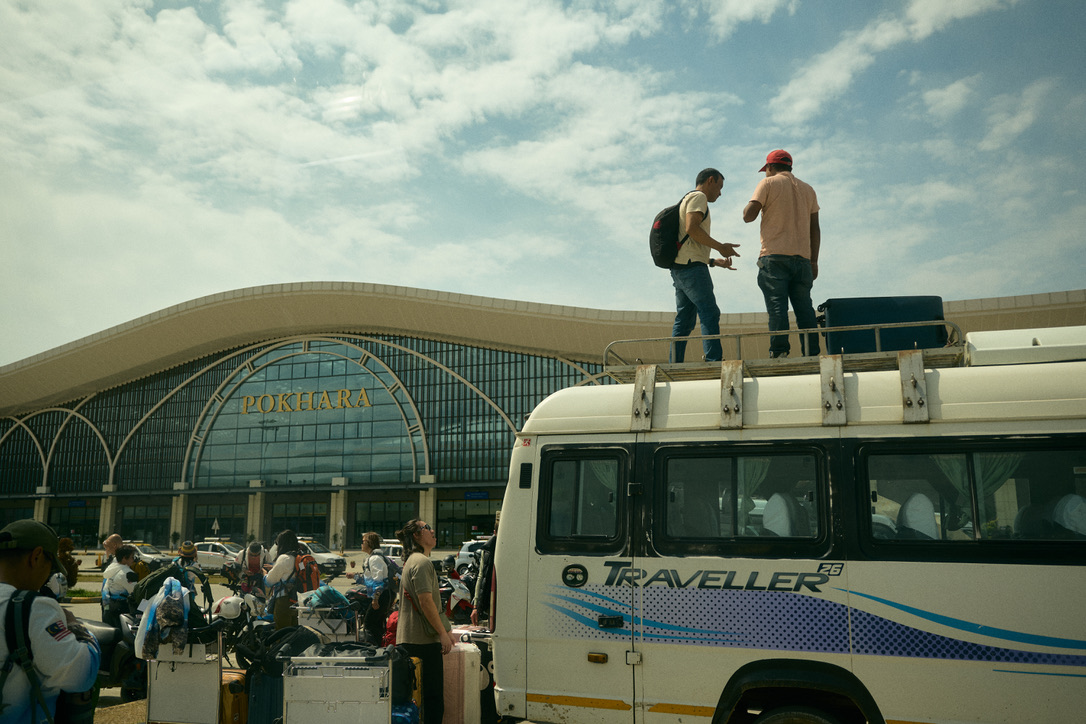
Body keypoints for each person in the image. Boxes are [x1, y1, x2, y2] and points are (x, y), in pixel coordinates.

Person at [0, 519, 100, 723]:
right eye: (50, 567)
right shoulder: (32, 607)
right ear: (36, 557)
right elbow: (81, 674)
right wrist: (76, 627)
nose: (47, 576)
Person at [742, 149, 821, 358]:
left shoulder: (768, 183)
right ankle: (812, 354)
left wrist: (752, 203)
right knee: (805, 309)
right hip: (803, 260)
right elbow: (815, 228)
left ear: (770, 167)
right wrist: (814, 261)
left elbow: (748, 216)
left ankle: (779, 353)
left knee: (777, 308)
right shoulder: (808, 190)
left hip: (774, 257)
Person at [670, 168, 740, 363]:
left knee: (684, 320)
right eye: (719, 187)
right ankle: (713, 360)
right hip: (692, 269)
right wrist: (720, 247)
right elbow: (692, 228)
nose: (720, 193)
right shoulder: (698, 197)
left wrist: (712, 261)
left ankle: (675, 364)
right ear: (710, 180)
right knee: (709, 312)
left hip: (681, 267)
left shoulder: (687, 198)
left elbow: (688, 244)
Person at [396, 519, 453, 724]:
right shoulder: (421, 562)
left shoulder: (412, 561)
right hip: (424, 642)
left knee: (416, 701)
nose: (432, 530)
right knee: (433, 700)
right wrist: (442, 633)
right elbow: (426, 601)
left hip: (410, 640)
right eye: (426, 528)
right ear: (417, 536)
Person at [357, 532, 392, 645]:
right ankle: (381, 647)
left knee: (369, 624)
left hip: (381, 595)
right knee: (377, 624)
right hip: (383, 595)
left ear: (370, 543)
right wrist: (354, 576)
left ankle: (374, 648)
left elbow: (379, 581)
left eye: (363, 541)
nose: (361, 544)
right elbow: (370, 580)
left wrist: (375, 599)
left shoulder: (375, 559)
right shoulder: (373, 558)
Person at [265, 530, 302, 630]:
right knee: (293, 631)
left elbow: (269, 581)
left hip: (284, 600)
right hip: (298, 600)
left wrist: (264, 574)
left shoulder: (284, 558)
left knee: (282, 631)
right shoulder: (299, 557)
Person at [101, 544, 139, 628]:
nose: (133, 559)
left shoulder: (112, 568)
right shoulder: (127, 573)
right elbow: (135, 592)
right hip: (122, 609)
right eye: (132, 557)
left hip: (109, 607)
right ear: (124, 558)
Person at [471, 513, 498, 627]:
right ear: (495, 533)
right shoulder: (487, 551)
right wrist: (476, 606)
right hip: (490, 602)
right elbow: (481, 577)